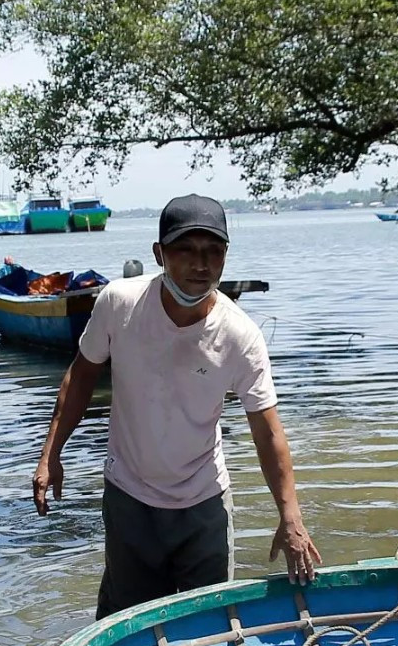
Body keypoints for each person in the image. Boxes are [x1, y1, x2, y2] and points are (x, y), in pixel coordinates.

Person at [31, 194, 321, 618]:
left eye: (213, 252)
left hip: (203, 499)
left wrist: (290, 517)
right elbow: (81, 376)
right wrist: (50, 455)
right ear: (159, 253)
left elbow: (267, 429)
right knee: (126, 623)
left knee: (210, 624)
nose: (201, 265)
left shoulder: (240, 336)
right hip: (130, 494)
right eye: (186, 250)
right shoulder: (119, 303)